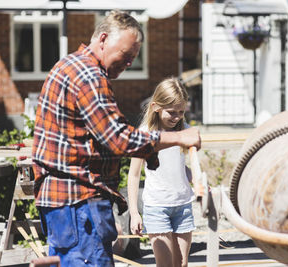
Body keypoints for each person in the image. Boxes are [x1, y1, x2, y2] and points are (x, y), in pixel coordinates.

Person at [31, 10, 200, 267]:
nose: (129, 62)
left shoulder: (69, 65)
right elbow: (119, 138)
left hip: (64, 202)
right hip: (78, 202)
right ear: (103, 39)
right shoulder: (89, 76)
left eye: (133, 58)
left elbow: (100, 137)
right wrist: (179, 137)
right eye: (125, 54)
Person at [128, 77, 196, 267]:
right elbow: (133, 175)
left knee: (181, 264)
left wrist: (198, 180)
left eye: (181, 112)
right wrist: (134, 212)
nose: (177, 117)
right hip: (157, 207)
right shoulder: (144, 135)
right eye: (172, 112)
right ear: (156, 107)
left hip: (182, 206)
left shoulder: (185, 132)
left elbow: (180, 166)